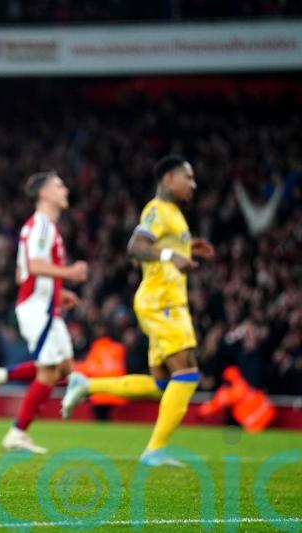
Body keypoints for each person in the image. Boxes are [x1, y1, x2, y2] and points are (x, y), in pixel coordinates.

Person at [61, 154, 215, 467]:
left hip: (165, 301)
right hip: (163, 302)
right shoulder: (158, 210)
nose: (193, 184)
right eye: (188, 177)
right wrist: (173, 254)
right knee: (187, 372)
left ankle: (86, 385)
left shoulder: (173, 214)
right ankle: (155, 451)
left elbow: (159, 247)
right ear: (169, 178)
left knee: (161, 384)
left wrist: (188, 247)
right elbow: (136, 246)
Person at [0, 172, 87, 454]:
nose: (65, 189)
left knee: (63, 369)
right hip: (37, 309)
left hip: (46, 306)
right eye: (59, 185)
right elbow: (34, 266)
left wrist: (60, 291)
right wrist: (69, 273)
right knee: (49, 372)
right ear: (44, 193)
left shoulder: (44, 227)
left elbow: (23, 271)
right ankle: (16, 432)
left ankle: (1, 375)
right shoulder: (41, 226)